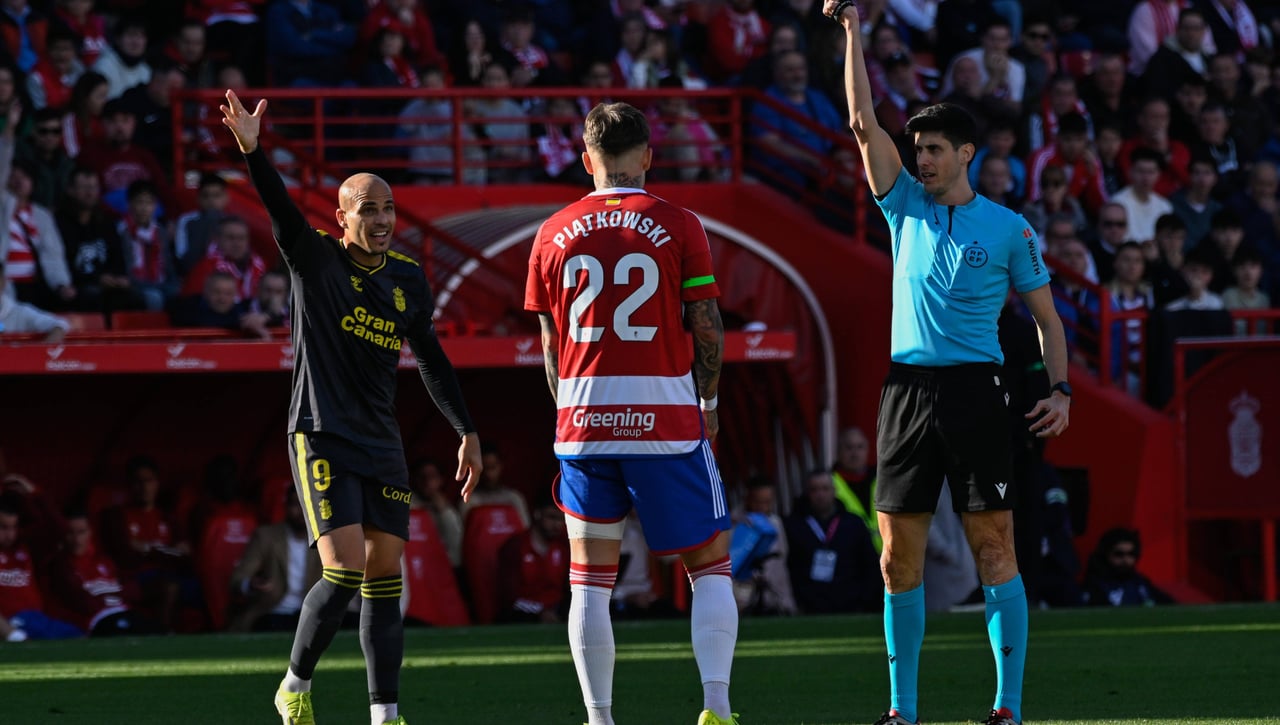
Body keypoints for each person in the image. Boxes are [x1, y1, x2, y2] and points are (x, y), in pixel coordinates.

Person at [826, 3, 1072, 725]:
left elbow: (1048, 320)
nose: (921, 157)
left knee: (995, 544)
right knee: (894, 558)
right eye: (918, 147)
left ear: (966, 153)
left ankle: (1008, 709)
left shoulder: (1009, 228)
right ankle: (901, 713)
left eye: (933, 148)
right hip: (905, 391)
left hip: (975, 393)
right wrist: (851, 32)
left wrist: (1059, 390)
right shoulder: (901, 206)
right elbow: (862, 121)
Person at [219, 88, 483, 725]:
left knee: (385, 576)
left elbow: (431, 358)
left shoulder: (408, 278)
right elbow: (280, 209)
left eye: (390, 208)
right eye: (369, 209)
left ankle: (384, 713)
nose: (384, 219)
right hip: (321, 432)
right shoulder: (314, 259)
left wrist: (466, 430)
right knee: (343, 568)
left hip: (380, 440)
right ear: (342, 218)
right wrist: (255, 152)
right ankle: (294, 685)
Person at [524, 101, 739, 725]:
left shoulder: (550, 231)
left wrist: (570, 414)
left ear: (586, 158)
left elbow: (549, 346)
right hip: (666, 419)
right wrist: (711, 400)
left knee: (589, 579)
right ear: (648, 156)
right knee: (710, 561)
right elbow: (707, 325)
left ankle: (599, 718)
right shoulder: (680, 224)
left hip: (585, 421)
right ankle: (717, 707)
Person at [45, 506, 158, 636]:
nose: (76, 540)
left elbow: (134, 591)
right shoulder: (61, 565)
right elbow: (85, 604)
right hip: (98, 620)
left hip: (126, 612)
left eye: (81, 532)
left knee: (158, 632)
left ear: (90, 532)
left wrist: (102, 594)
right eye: (71, 533)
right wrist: (114, 593)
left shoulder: (104, 560)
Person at [784, 469, 881, 614]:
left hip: (851, 604)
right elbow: (790, 567)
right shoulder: (794, 525)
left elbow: (870, 565)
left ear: (834, 491)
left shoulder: (854, 523)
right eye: (814, 490)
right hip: (809, 607)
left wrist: (863, 599)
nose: (820, 495)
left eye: (825, 489)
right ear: (807, 493)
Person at [227, 490, 322, 633]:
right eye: (296, 504)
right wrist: (251, 584)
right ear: (286, 506)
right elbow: (238, 579)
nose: (301, 511)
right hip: (272, 611)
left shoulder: (324, 539)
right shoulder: (266, 536)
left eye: (306, 504)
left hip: (311, 613)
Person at [495, 494, 569, 623]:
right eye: (552, 517)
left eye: (561, 519)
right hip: (522, 615)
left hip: (558, 613)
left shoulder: (564, 547)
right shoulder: (515, 546)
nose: (557, 525)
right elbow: (509, 595)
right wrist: (539, 612)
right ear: (537, 514)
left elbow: (568, 589)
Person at [1081, 527, 1174, 606]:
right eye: (1119, 554)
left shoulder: (1140, 582)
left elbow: (1170, 605)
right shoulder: (1095, 586)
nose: (1126, 560)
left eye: (1131, 554)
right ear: (1106, 554)